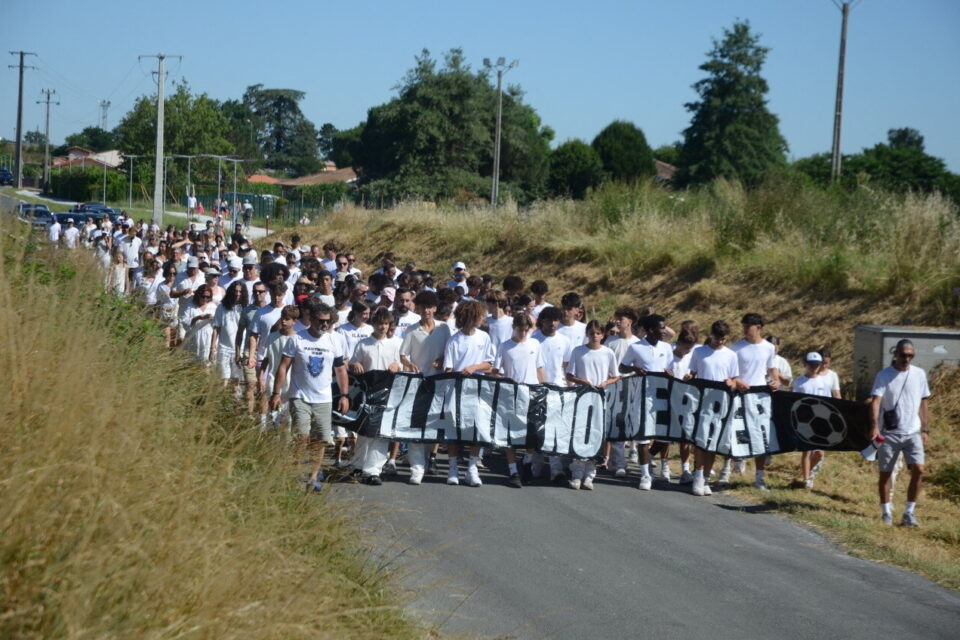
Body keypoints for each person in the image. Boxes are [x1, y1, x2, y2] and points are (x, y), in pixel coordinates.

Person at [271, 300, 351, 493]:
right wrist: (276, 393)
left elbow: (340, 370)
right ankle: (296, 471)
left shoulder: (334, 341)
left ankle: (312, 477)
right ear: (311, 319)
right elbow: (283, 367)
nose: (325, 325)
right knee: (302, 436)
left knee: (320, 439)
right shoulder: (297, 340)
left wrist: (344, 395)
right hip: (300, 396)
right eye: (321, 321)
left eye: (328, 321)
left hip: (324, 398)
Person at [871, 339, 931, 527]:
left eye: (910, 355)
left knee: (919, 470)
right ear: (895, 354)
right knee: (886, 474)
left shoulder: (919, 374)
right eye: (903, 354)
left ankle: (909, 512)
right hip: (889, 433)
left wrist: (925, 428)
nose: (907, 358)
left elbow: (923, 402)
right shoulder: (884, 375)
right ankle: (886, 512)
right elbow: (876, 402)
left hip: (912, 431)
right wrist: (875, 427)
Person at [400, 291, 452, 483]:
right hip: (418, 382)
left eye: (430, 307)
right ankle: (417, 467)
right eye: (423, 308)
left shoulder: (444, 328)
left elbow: (450, 351)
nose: (427, 311)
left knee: (435, 423)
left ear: (435, 308)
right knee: (416, 424)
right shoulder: (412, 330)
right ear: (418, 309)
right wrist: (409, 365)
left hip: (439, 382)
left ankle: (432, 458)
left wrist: (442, 359)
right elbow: (403, 355)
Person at [443, 300, 495, 487]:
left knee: (477, 429)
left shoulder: (484, 337)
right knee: (454, 431)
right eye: (480, 315)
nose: (482, 318)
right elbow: (448, 369)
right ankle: (453, 468)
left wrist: (475, 367)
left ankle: (472, 468)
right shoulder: (454, 340)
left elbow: (489, 364)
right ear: (471, 316)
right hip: (456, 391)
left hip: (478, 392)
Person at [347, 307, 402, 485]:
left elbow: (402, 364)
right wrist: (355, 364)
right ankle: (357, 465)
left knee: (380, 433)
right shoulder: (363, 343)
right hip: (367, 391)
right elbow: (353, 362)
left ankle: (373, 470)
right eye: (379, 323)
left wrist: (397, 365)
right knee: (363, 429)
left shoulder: (395, 344)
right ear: (373, 324)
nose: (383, 327)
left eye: (386, 324)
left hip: (386, 392)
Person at [620, 314, 674, 490]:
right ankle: (645, 475)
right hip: (642, 396)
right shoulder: (636, 347)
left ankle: (649, 456)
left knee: (664, 436)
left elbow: (670, 370)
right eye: (661, 328)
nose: (664, 331)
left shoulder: (666, 348)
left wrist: (670, 375)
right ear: (651, 330)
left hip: (661, 396)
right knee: (643, 436)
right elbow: (622, 367)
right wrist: (634, 369)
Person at [729, 313, 781, 491]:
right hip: (740, 395)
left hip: (760, 397)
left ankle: (759, 477)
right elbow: (729, 374)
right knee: (734, 434)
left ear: (758, 327)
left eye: (748, 325)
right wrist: (737, 382)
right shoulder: (736, 347)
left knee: (761, 436)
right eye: (743, 325)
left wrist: (776, 380)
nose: (744, 328)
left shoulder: (768, 348)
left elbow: (771, 368)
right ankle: (727, 471)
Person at [565, 320, 620, 490]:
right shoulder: (578, 351)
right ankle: (577, 473)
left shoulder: (608, 353)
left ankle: (590, 474)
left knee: (596, 435)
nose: (595, 336)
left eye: (598, 333)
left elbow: (616, 376)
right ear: (587, 334)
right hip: (582, 397)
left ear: (603, 335)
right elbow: (569, 375)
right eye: (592, 333)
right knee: (580, 434)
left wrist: (605, 383)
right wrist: (582, 381)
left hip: (600, 398)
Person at [494, 311, 545, 488]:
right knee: (510, 436)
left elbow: (539, 368)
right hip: (510, 396)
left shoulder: (535, 344)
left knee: (531, 434)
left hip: (532, 395)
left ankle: (527, 462)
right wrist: (508, 381)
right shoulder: (504, 346)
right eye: (520, 329)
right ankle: (513, 471)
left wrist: (544, 389)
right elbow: (496, 372)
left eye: (526, 329)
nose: (523, 333)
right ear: (513, 327)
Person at [688, 321, 739, 497]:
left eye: (724, 339)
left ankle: (706, 477)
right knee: (701, 441)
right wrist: (688, 377)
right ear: (712, 335)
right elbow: (693, 374)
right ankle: (698, 477)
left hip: (721, 403)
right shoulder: (699, 351)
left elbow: (734, 379)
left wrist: (730, 383)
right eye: (718, 338)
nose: (720, 342)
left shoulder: (731, 355)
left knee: (714, 442)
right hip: (702, 402)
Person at [530, 305, 572, 483]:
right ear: (542, 322)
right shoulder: (534, 339)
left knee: (555, 429)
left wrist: (569, 387)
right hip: (536, 389)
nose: (553, 323)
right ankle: (535, 466)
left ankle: (556, 469)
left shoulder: (564, 340)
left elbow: (567, 366)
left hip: (557, 389)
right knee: (536, 429)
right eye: (549, 320)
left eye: (555, 320)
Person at [793, 351, 833, 489]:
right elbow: (795, 401)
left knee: (819, 453)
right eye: (811, 364)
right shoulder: (799, 382)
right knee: (807, 450)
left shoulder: (824, 382)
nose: (814, 367)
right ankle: (805, 480)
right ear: (805, 364)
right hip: (805, 421)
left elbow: (828, 401)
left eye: (816, 365)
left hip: (820, 421)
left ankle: (808, 472)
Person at [259, 306, 301, 433]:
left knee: (287, 419)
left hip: (291, 384)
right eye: (282, 318)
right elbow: (266, 359)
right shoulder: (272, 337)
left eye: (287, 319)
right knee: (274, 416)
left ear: (294, 321)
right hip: (273, 381)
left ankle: (285, 446)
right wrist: (261, 378)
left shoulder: (298, 339)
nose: (283, 321)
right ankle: (271, 440)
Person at [211, 281, 248, 388]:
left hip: (239, 349)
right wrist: (212, 348)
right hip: (224, 348)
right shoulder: (222, 308)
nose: (237, 294)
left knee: (236, 382)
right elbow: (216, 328)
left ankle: (233, 403)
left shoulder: (246, 308)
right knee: (223, 380)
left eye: (240, 292)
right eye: (235, 291)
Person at [181, 284, 218, 364]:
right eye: (203, 296)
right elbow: (185, 321)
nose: (205, 299)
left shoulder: (213, 307)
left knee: (206, 364)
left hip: (207, 337)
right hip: (193, 336)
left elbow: (217, 325)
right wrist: (198, 317)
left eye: (208, 297)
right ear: (198, 295)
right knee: (191, 362)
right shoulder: (190, 305)